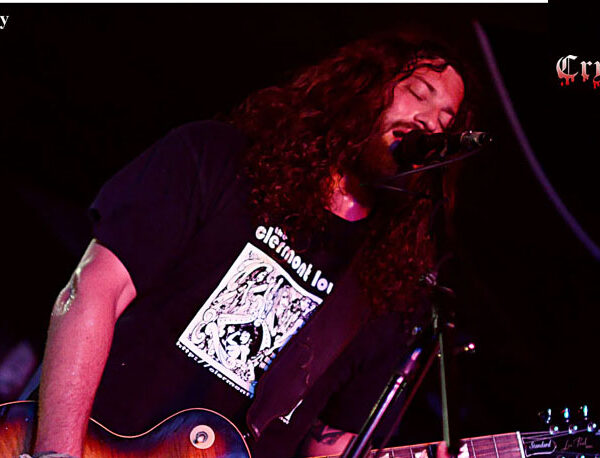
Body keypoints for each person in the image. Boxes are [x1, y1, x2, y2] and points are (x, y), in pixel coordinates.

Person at [30, 30, 476, 458]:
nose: (429, 122)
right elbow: (92, 290)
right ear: (363, 86)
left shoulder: (390, 287)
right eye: (419, 94)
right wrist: (57, 452)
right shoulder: (217, 156)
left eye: (445, 120)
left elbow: (327, 442)